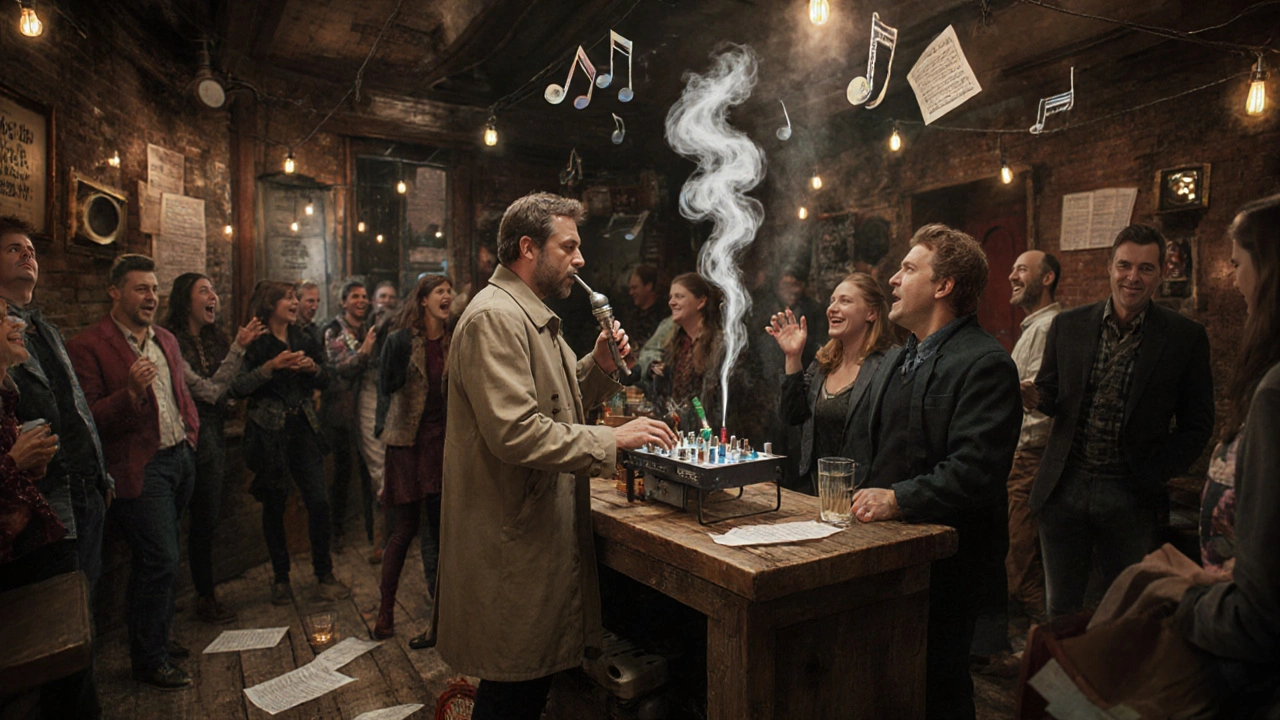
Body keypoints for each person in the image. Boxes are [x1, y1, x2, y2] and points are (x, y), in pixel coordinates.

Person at [436, 192, 676, 720]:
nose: (580, 259)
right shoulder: (496, 318)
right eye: (568, 246)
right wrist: (613, 441)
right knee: (510, 694)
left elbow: (562, 400)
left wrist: (601, 362)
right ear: (528, 247)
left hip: (533, 533)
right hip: (510, 540)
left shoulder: (532, 315)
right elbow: (516, 433)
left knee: (524, 689)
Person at [851, 224, 1022, 720]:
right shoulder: (900, 357)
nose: (894, 281)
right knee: (888, 680)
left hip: (948, 565)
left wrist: (898, 498)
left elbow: (976, 471)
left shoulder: (985, 363)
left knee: (939, 688)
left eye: (908, 269)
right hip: (887, 556)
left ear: (944, 286)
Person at [1027, 225, 1214, 619]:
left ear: (1161, 273)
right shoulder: (1069, 325)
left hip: (1131, 496)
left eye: (1146, 268)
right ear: (1109, 267)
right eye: (1124, 265)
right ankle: (1062, 682)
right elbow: (1052, 394)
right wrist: (1030, 396)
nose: (1133, 277)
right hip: (1065, 488)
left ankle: (1112, 682)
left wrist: (1155, 470)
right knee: (1061, 613)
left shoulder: (1185, 337)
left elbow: (1198, 425)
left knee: (1126, 614)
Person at [68, 254, 201, 690]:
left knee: (163, 558)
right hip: (141, 469)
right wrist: (129, 392)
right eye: (141, 288)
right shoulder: (88, 345)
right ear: (115, 292)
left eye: (155, 289)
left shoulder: (165, 338)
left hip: (179, 457)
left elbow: (181, 394)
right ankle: (149, 659)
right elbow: (86, 417)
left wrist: (191, 435)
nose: (151, 297)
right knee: (159, 558)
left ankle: (158, 636)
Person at [1180, 195, 1280, 714]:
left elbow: (1262, 611)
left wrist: (1186, 603)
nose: (1233, 279)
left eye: (1238, 263)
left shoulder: (1274, 393)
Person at [0, 217, 110, 598]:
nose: (27, 254)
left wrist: (100, 475)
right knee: (51, 612)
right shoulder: (2, 334)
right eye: (14, 249)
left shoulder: (45, 329)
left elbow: (75, 402)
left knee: (84, 602)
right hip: (39, 497)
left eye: (30, 250)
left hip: (83, 484)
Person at [232, 281, 348, 605]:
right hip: (269, 434)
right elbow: (238, 387)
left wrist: (312, 368)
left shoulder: (303, 338)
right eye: (288, 298)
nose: (295, 303)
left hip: (303, 429)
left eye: (296, 297)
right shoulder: (256, 343)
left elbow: (326, 378)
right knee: (274, 507)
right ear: (270, 305)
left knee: (318, 502)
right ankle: (281, 579)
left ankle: (323, 573)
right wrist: (271, 367)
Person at [162, 272, 264, 624]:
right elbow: (209, 391)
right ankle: (170, 603)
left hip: (213, 440)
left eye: (214, 291)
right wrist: (239, 348)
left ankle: (205, 597)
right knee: (173, 526)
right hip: (182, 442)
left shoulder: (215, 338)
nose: (213, 297)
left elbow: (230, 387)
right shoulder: (170, 342)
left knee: (206, 522)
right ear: (184, 301)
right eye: (204, 291)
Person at [0, 298, 78, 719]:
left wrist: (30, 467)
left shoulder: (7, 398)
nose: (15, 323)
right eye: (0, 319)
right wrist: (14, 461)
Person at [372, 274, 452, 643]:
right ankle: (386, 611)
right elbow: (385, 387)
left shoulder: (455, 340)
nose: (447, 296)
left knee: (439, 532)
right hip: (406, 444)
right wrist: (388, 352)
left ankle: (441, 616)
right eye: (440, 291)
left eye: (449, 291)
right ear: (423, 300)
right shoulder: (401, 340)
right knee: (403, 530)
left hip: (442, 445)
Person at [768, 272, 892, 492]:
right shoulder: (824, 363)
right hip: (816, 492)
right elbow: (791, 415)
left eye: (845, 301)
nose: (832, 308)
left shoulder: (889, 365)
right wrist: (793, 357)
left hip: (862, 496)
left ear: (871, 313)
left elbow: (892, 445)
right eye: (832, 300)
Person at [1004, 250, 1061, 622]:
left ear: (1047, 278)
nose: (1012, 275)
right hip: (1023, 457)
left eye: (1021, 269)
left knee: (1022, 562)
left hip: (1029, 458)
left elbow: (1039, 403)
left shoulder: (1047, 328)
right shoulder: (1035, 326)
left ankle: (1044, 656)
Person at [322, 279, 376, 551]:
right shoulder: (333, 330)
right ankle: (336, 531)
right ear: (344, 302)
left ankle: (372, 530)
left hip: (364, 407)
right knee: (342, 473)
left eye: (364, 296)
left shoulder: (368, 328)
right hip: (340, 412)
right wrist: (364, 353)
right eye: (355, 296)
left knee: (367, 471)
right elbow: (335, 368)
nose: (361, 300)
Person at [637, 272, 726, 429]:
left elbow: (717, 402)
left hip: (709, 436)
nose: (672, 302)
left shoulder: (719, 345)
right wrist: (656, 371)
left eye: (679, 296)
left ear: (701, 302)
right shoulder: (676, 343)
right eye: (671, 297)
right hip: (680, 434)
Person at [620, 264, 668, 350]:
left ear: (649, 286)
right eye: (630, 288)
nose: (631, 292)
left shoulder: (665, 317)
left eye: (634, 288)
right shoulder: (631, 317)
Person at [295, 279, 324, 349]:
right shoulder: (288, 332)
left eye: (317, 301)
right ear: (297, 301)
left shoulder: (317, 332)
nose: (314, 307)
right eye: (310, 301)